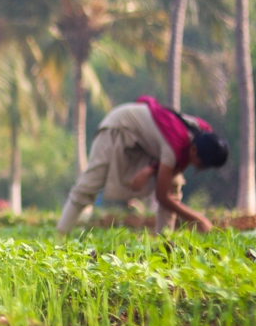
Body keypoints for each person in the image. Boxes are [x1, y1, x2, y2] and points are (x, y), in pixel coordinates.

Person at [57, 96, 229, 234]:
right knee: (90, 183)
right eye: (202, 163)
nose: (200, 168)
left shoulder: (202, 131)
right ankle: (61, 235)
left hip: (142, 143)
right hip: (118, 127)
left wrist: (150, 170)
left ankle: (163, 240)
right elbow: (162, 197)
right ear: (193, 151)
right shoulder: (175, 146)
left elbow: (169, 166)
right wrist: (198, 219)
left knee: (173, 183)